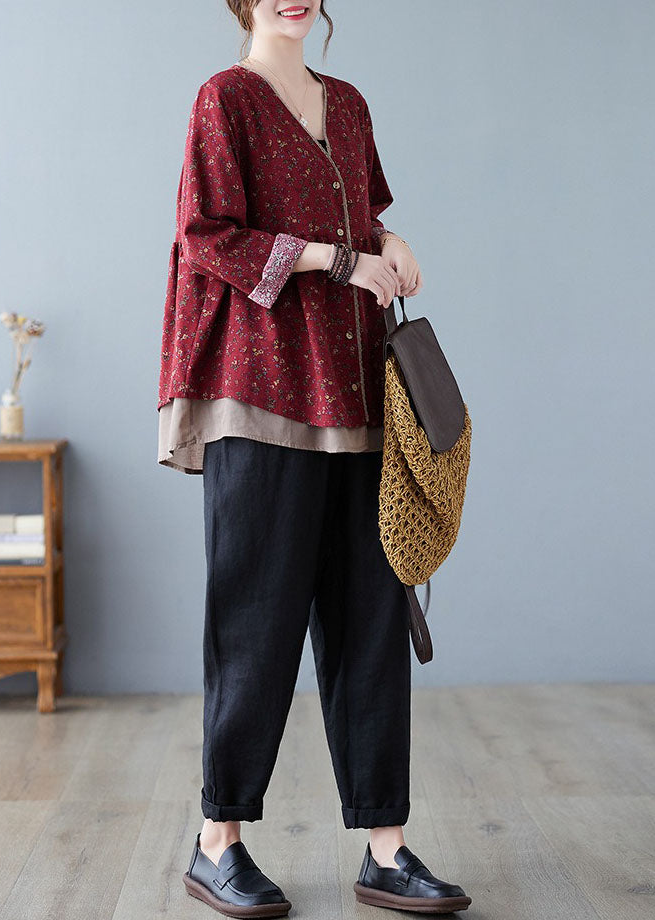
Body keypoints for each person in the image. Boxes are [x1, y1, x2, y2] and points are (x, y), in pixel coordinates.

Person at [158, 1, 472, 915]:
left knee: (371, 619)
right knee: (255, 622)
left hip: (354, 392)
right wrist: (337, 261)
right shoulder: (225, 99)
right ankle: (218, 841)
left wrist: (391, 242)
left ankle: (386, 846)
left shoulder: (349, 101)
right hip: (259, 394)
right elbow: (207, 238)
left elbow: (366, 216)